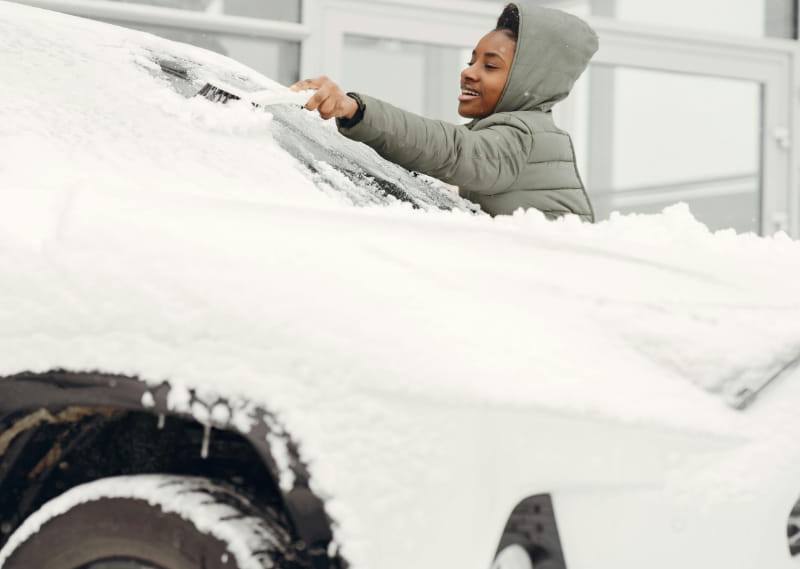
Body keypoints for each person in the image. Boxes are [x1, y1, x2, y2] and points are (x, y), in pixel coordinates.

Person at [291, 2, 598, 221]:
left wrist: (356, 109)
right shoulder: (509, 134)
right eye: (471, 62)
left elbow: (449, 150)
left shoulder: (523, 136)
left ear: (531, 80)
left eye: (490, 66)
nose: (469, 73)